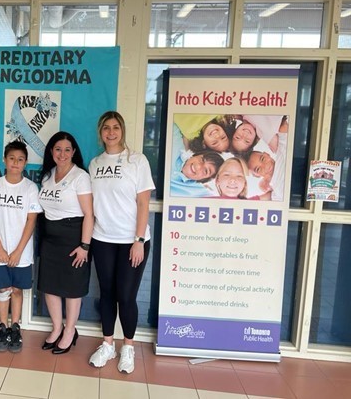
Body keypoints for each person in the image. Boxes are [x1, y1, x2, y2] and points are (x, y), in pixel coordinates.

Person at [88, 111, 155, 374]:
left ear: (122, 130)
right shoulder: (94, 164)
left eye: (116, 127)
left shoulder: (137, 160)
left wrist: (138, 240)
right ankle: (108, 344)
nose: (111, 132)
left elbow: (143, 202)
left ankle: (128, 347)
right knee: (106, 294)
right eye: (106, 128)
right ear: (100, 132)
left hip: (132, 241)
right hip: (103, 237)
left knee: (126, 296)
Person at [0, 141, 42, 353]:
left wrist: (17, 252)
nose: (15, 163)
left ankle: (15, 327)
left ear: (25, 163)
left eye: (20, 160)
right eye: (12, 159)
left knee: (17, 290)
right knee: (3, 289)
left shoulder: (30, 188)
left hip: (21, 252)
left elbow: (31, 221)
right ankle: (2, 327)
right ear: (4, 160)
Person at [37, 131, 93, 355]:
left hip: (73, 239)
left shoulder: (80, 176)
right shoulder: (47, 175)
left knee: (71, 289)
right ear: (51, 152)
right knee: (49, 286)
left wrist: (85, 246)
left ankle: (70, 330)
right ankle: (57, 327)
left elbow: (89, 214)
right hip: (50, 238)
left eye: (67, 150)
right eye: (58, 149)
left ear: (74, 152)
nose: (62, 154)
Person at [170, 124, 224, 197]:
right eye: (202, 159)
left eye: (205, 171)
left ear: (203, 180)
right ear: (195, 155)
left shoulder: (198, 192)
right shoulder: (175, 142)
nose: (198, 166)